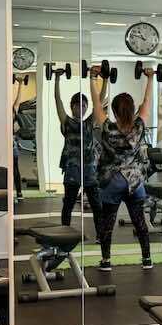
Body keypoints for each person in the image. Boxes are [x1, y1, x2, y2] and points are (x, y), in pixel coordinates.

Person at [91, 65, 154, 271]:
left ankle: (106, 261)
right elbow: (147, 102)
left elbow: (96, 104)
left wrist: (92, 78)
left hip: (113, 182)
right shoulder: (139, 127)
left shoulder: (108, 129)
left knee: (107, 224)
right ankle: (147, 259)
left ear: (115, 111)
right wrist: (150, 78)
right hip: (135, 182)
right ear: (132, 109)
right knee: (140, 222)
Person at [54, 69, 104, 228]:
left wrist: (105, 80)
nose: (81, 108)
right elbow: (57, 101)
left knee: (97, 205)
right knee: (68, 204)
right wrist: (57, 79)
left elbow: (99, 102)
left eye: (84, 105)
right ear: (72, 107)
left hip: (89, 169)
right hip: (72, 169)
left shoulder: (89, 123)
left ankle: (100, 236)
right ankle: (65, 233)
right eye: (78, 105)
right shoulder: (66, 122)